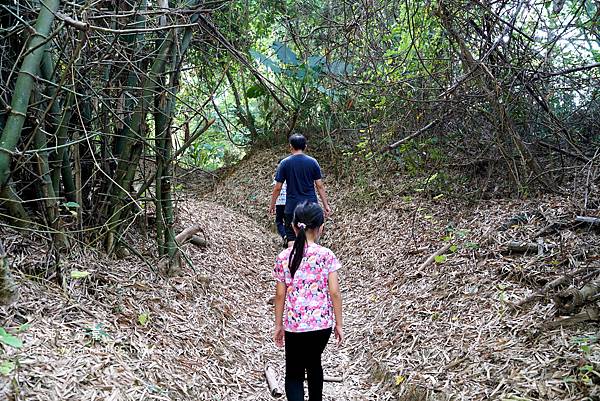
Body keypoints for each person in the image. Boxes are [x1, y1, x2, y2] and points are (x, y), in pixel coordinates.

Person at [273, 202, 343, 401]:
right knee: (314, 364)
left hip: (295, 326)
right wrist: (339, 324)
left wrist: (278, 325)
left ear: (294, 226)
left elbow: (280, 295)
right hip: (321, 325)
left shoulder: (284, 257)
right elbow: (335, 292)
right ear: (321, 227)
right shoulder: (326, 255)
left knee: (294, 373)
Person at [269, 134, 331, 247]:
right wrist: (326, 205)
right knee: (311, 238)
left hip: (292, 207)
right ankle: (310, 262)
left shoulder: (284, 163)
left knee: (292, 238)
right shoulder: (313, 162)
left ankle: (294, 263)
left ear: (290, 147)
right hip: (311, 206)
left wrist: (272, 204)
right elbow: (319, 186)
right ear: (305, 146)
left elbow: (277, 187)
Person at [273, 159, 288, 245]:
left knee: (279, 221)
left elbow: (276, 189)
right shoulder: (290, 176)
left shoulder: (278, 177)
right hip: (289, 202)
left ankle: (284, 236)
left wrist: (272, 203)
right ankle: (289, 238)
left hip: (279, 203)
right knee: (288, 221)